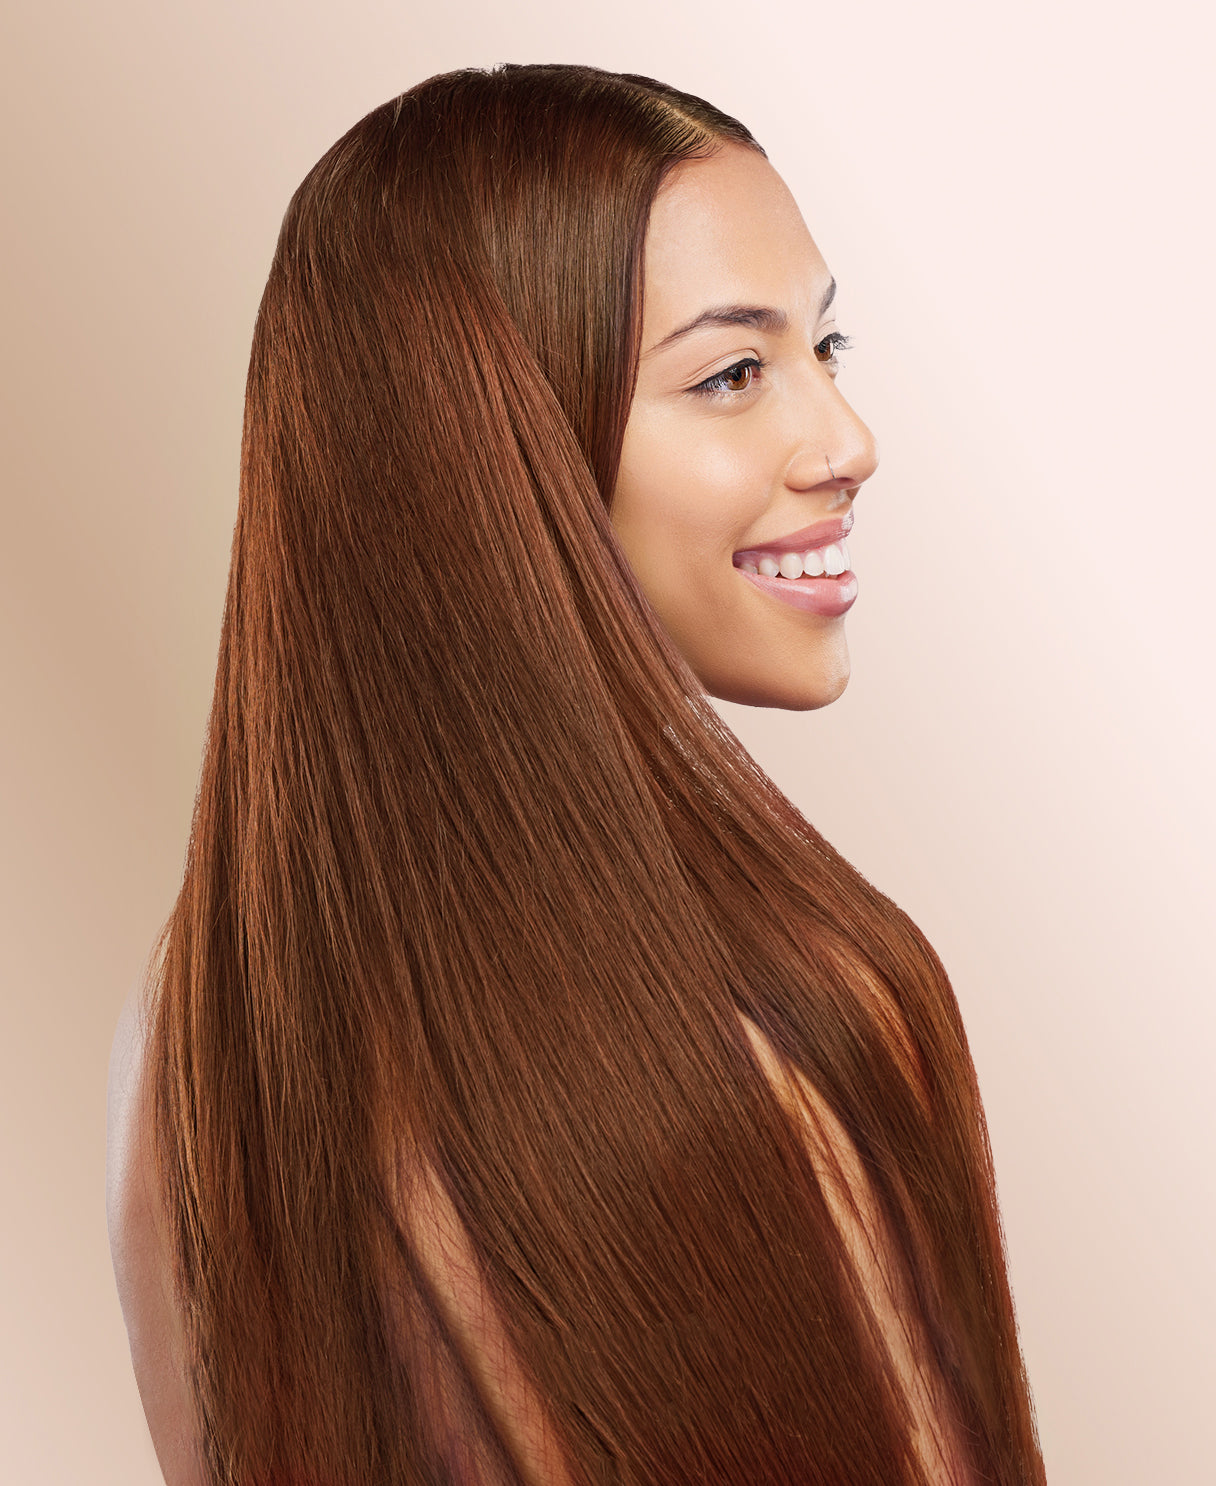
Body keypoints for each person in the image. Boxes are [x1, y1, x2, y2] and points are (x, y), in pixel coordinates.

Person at [107, 62, 1045, 1486]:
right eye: (732, 374)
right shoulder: (791, 1018)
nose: (848, 443)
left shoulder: (192, 1038)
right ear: (487, 451)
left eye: (824, 346)